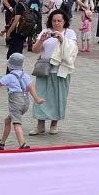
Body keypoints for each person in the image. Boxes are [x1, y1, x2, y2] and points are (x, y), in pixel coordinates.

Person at [32, 9, 78, 137]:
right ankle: (40, 124)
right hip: (44, 68)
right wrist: (41, 40)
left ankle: (54, 124)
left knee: (59, 97)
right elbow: (35, 50)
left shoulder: (69, 33)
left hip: (60, 70)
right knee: (40, 96)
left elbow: (73, 50)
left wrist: (62, 39)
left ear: (64, 22)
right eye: (54, 20)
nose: (56, 23)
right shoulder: (45, 32)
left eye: (59, 21)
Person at [0, 52, 44, 150]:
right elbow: (31, 88)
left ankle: (23, 145)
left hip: (16, 103)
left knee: (16, 124)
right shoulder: (25, 76)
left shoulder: (8, 77)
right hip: (25, 102)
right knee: (7, 120)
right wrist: (37, 99)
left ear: (10, 66)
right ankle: (1, 143)